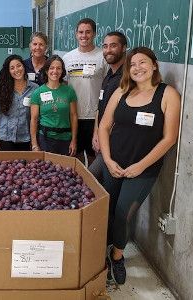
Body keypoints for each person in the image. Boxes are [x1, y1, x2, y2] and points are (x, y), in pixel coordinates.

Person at [99, 47, 180, 285]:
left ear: (154, 65)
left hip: (143, 169)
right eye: (132, 65)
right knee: (107, 210)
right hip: (113, 163)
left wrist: (139, 166)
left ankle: (117, 257)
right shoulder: (122, 92)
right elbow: (104, 127)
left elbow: (169, 139)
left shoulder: (167, 95)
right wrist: (108, 160)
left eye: (142, 63)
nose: (137, 68)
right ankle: (100, 253)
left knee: (124, 213)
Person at [62, 18, 108, 165]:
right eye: (81, 32)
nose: (84, 35)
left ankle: (93, 184)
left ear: (94, 34)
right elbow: (63, 84)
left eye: (88, 32)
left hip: (95, 115)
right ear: (76, 34)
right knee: (76, 153)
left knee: (94, 153)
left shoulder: (103, 57)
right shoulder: (67, 58)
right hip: (73, 115)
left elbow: (109, 85)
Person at [89, 32, 127, 183]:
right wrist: (96, 134)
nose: (108, 50)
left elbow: (125, 114)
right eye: (105, 46)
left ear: (124, 48)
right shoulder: (108, 76)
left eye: (113, 46)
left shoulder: (128, 77)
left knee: (90, 178)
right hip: (103, 140)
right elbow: (100, 108)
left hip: (116, 144)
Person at [30, 55, 78, 156]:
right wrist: (34, 144)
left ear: (62, 71)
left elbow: (73, 116)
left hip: (65, 139)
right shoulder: (38, 92)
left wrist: (74, 140)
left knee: (65, 170)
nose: (55, 71)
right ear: (46, 70)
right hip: (45, 139)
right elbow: (33, 119)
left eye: (58, 68)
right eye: (51, 68)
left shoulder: (69, 91)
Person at [0, 55, 38, 151]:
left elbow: (37, 117)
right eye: (12, 68)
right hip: (5, 136)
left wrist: (34, 141)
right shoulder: (3, 89)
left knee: (24, 165)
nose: (16, 70)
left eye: (19, 66)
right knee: (6, 165)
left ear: (24, 66)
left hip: (25, 137)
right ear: (8, 71)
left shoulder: (35, 89)